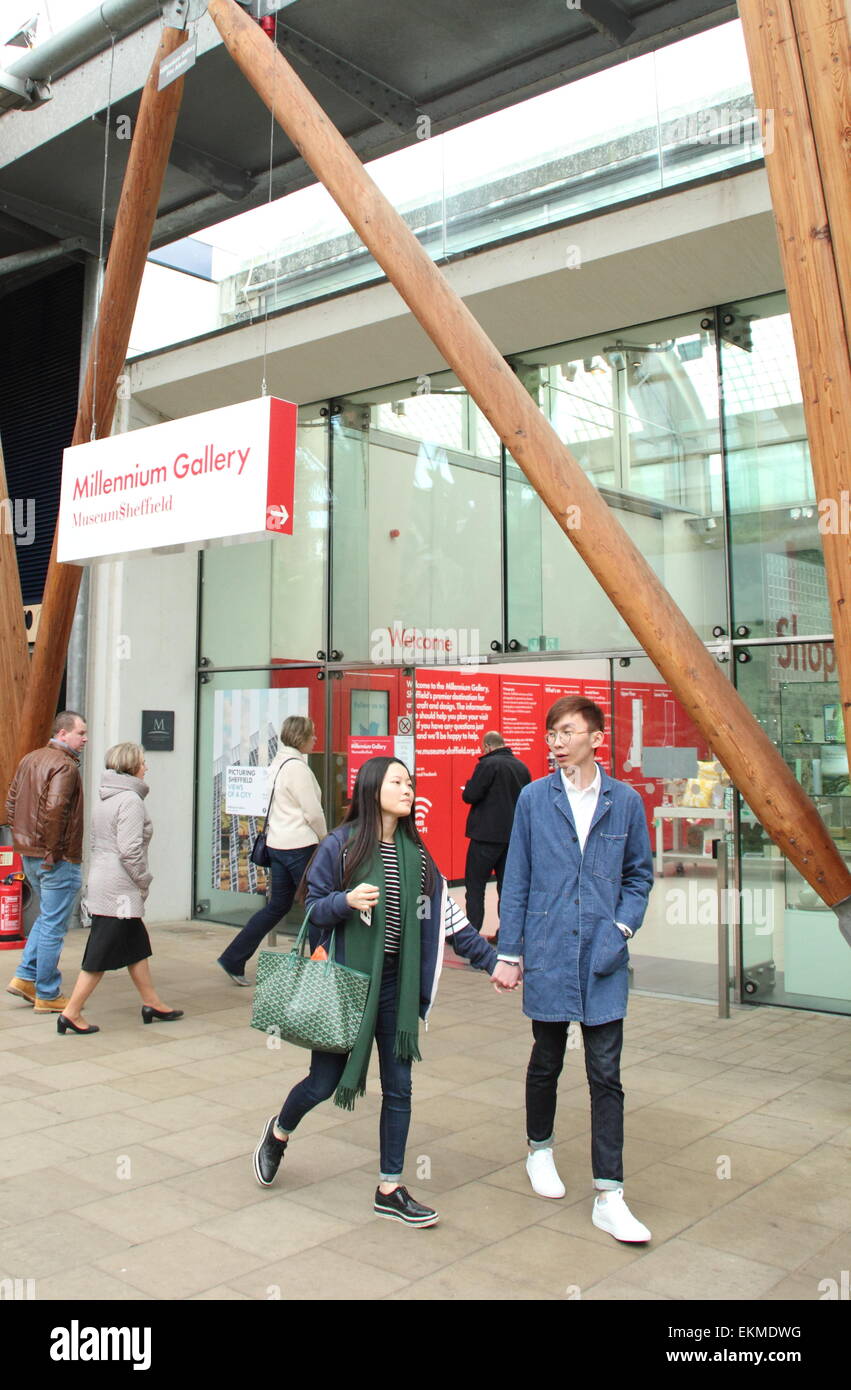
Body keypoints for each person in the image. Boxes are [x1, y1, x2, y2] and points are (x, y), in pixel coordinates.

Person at [252, 755, 498, 1226]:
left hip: (396, 988)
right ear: (372, 789)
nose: (408, 790)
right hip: (346, 983)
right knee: (322, 1084)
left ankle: (390, 1186)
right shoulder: (340, 846)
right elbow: (312, 907)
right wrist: (344, 902)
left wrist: (494, 963)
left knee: (400, 1086)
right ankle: (279, 1132)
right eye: (398, 782)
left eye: (410, 783)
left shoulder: (419, 856)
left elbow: (448, 919)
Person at [492, 696, 655, 1243]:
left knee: (606, 1074)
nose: (556, 742)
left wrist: (622, 929)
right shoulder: (535, 800)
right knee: (547, 1059)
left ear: (596, 738)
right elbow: (516, 877)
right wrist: (510, 953)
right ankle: (539, 1149)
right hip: (548, 949)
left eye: (566, 732)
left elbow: (639, 877)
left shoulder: (625, 801)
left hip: (604, 956)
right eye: (551, 734)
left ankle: (610, 1194)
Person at [56, 742, 182, 1035]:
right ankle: (71, 1012)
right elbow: (130, 850)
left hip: (103, 879)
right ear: (132, 766)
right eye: (143, 762)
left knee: (135, 944)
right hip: (121, 888)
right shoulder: (130, 801)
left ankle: (152, 1002)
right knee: (103, 947)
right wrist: (143, 880)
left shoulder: (105, 798)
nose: (146, 766)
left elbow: (97, 842)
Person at [218, 715, 327, 986]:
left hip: (277, 845)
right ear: (301, 737)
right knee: (316, 906)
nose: (315, 739)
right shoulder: (297, 769)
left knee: (278, 906)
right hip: (300, 847)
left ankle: (234, 957)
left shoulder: (277, 764)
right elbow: (312, 812)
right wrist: (326, 839)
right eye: (312, 734)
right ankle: (319, 971)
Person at [5, 710, 87, 1014]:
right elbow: (55, 810)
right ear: (62, 734)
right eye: (81, 733)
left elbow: (11, 802)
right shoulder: (65, 767)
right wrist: (52, 853)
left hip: (30, 853)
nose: (85, 739)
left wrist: (22, 842)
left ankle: (26, 977)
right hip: (56, 858)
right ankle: (48, 992)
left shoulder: (30, 758)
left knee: (46, 917)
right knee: (54, 924)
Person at [462, 730, 531, 943]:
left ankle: (471, 934)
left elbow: (470, 795)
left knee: (475, 886)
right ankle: (507, 934)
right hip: (512, 839)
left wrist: (468, 785)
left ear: (487, 747)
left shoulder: (487, 765)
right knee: (507, 888)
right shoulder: (521, 767)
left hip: (484, 836)